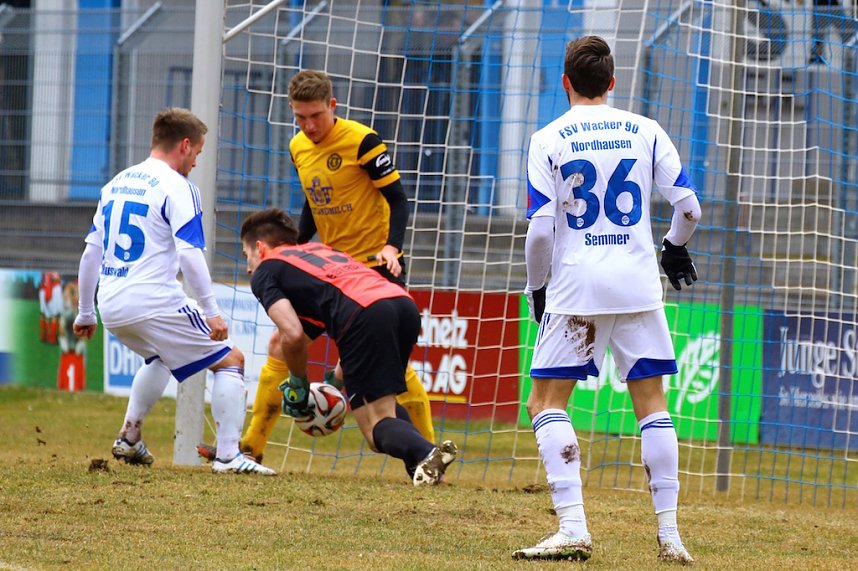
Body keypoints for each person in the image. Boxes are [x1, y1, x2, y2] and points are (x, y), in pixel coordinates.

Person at [513, 36, 701, 564]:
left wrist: (537, 287)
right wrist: (672, 249)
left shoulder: (547, 137)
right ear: (612, 82)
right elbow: (689, 210)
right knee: (653, 405)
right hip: (639, 284)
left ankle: (573, 528)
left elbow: (541, 233)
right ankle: (670, 537)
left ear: (566, 81)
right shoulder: (646, 130)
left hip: (578, 287)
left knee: (545, 404)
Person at [197, 69, 435, 465]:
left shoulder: (363, 141)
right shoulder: (297, 147)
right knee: (279, 344)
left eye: (316, 117)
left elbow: (397, 198)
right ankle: (251, 447)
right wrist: (297, 249)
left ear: (333, 107)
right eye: (300, 117)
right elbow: (314, 199)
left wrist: (393, 246)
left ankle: (428, 451)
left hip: (373, 268)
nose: (309, 126)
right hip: (329, 272)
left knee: (378, 368)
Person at [72, 107, 275, 476]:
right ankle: (230, 457)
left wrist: (87, 311)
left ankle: (130, 438)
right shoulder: (178, 187)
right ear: (184, 145)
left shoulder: (115, 183)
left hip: (112, 304)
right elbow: (189, 254)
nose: (196, 162)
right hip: (153, 301)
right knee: (232, 361)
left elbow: (91, 253)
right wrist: (211, 310)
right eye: (197, 153)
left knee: (160, 357)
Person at [239, 207, 456, 485]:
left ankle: (427, 452)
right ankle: (421, 466)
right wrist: (334, 382)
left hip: (367, 314)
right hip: (402, 304)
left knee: (375, 429)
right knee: (384, 404)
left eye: (247, 256)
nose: (248, 267)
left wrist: (298, 384)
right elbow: (346, 319)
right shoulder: (318, 252)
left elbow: (291, 335)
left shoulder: (266, 271)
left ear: (260, 247)